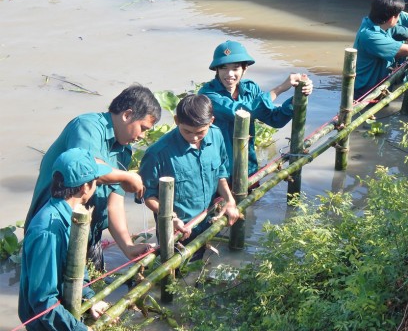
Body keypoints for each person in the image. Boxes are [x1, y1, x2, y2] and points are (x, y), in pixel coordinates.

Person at [24, 84, 161, 270]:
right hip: (54, 227)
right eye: (142, 128)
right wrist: (127, 177)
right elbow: (87, 169)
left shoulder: (123, 151)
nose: (142, 137)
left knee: (90, 291)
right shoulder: (87, 126)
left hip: (88, 231)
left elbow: (114, 203)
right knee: (50, 292)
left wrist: (128, 247)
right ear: (127, 115)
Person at [19, 148, 112, 331]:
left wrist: (90, 300)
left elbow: (75, 267)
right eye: (95, 181)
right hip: (47, 328)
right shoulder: (48, 231)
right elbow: (43, 301)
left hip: (64, 313)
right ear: (85, 187)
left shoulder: (71, 216)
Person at [138, 94, 239, 259]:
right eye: (187, 131)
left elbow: (220, 172)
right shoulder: (157, 154)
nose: (193, 137)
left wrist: (229, 200)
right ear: (177, 120)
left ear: (211, 121)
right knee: (176, 272)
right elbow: (148, 195)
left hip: (209, 220)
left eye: (200, 132)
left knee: (203, 265)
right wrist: (170, 217)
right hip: (179, 229)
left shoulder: (216, 135)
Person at [198, 40, 313, 178]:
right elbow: (240, 112)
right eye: (223, 68)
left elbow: (275, 119)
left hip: (248, 163)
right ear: (216, 70)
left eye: (235, 68)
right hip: (218, 168)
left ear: (244, 69)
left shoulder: (250, 88)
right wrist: (280, 88)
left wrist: (296, 99)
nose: (229, 74)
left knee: (250, 197)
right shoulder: (207, 94)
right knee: (223, 200)